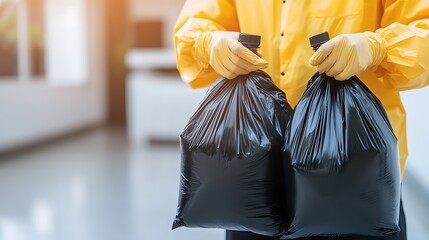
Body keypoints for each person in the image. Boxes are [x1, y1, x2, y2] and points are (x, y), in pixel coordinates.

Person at [173, 1, 429, 239]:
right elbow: (194, 25)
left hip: (352, 174)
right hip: (253, 180)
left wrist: (378, 47)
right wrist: (207, 42)